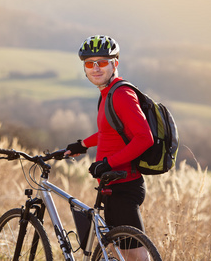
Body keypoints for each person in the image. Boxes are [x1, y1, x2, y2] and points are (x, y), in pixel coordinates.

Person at [65, 35, 154, 259]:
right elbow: (109, 132)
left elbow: (145, 138)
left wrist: (108, 163)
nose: (96, 68)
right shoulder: (108, 93)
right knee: (114, 253)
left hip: (123, 185)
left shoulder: (121, 94)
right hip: (112, 186)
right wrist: (82, 144)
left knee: (135, 257)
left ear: (115, 63)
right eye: (89, 64)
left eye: (102, 62)